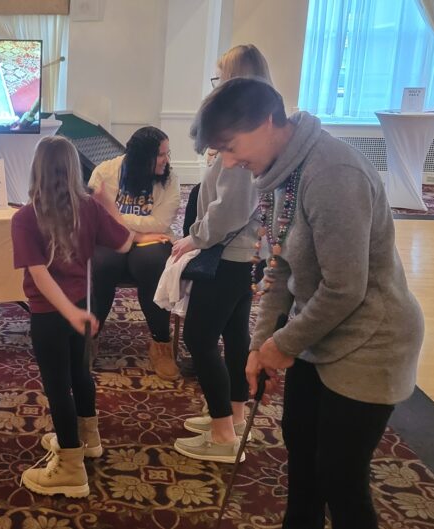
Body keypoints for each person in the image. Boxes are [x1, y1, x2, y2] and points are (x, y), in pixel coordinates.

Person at [193, 77, 424, 529]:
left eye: (231, 145)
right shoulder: (281, 172)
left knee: (339, 479)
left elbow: (345, 288)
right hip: (318, 335)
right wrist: (262, 344)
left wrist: (284, 345)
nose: (229, 160)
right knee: (302, 462)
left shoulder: (333, 174)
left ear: (265, 122)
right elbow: (278, 263)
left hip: (371, 343)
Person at [11, 136, 133, 497]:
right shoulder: (89, 208)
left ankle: (70, 467)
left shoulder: (25, 216)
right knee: (80, 374)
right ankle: (87, 437)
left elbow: (39, 275)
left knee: (57, 386)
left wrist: (68, 312)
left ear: (37, 171)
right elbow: (125, 243)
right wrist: (108, 205)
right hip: (82, 305)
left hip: (52, 313)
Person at [171, 44, 273, 463]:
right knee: (233, 336)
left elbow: (230, 206)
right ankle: (229, 416)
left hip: (232, 254)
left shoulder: (245, 137)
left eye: (219, 78)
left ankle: (223, 436)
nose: (214, 87)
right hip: (244, 252)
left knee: (198, 337)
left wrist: (195, 238)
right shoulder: (253, 130)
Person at [88, 126, 182, 380]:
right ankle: (91, 337)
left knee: (152, 264)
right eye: (161, 155)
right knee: (102, 264)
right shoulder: (105, 173)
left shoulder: (170, 179)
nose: (167, 160)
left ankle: (161, 344)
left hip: (152, 242)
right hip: (114, 239)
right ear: (142, 158)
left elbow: (160, 223)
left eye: (167, 153)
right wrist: (137, 234)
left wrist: (116, 217)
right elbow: (95, 217)